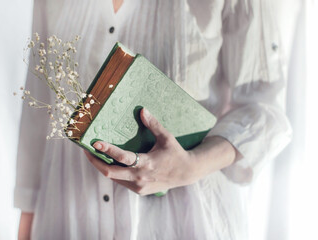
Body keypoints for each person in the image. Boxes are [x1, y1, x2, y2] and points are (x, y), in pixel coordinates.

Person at [15, 0, 292, 239]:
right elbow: (39, 108)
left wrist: (192, 166)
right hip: (65, 219)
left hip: (181, 222)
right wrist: (27, 221)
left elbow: (264, 106)